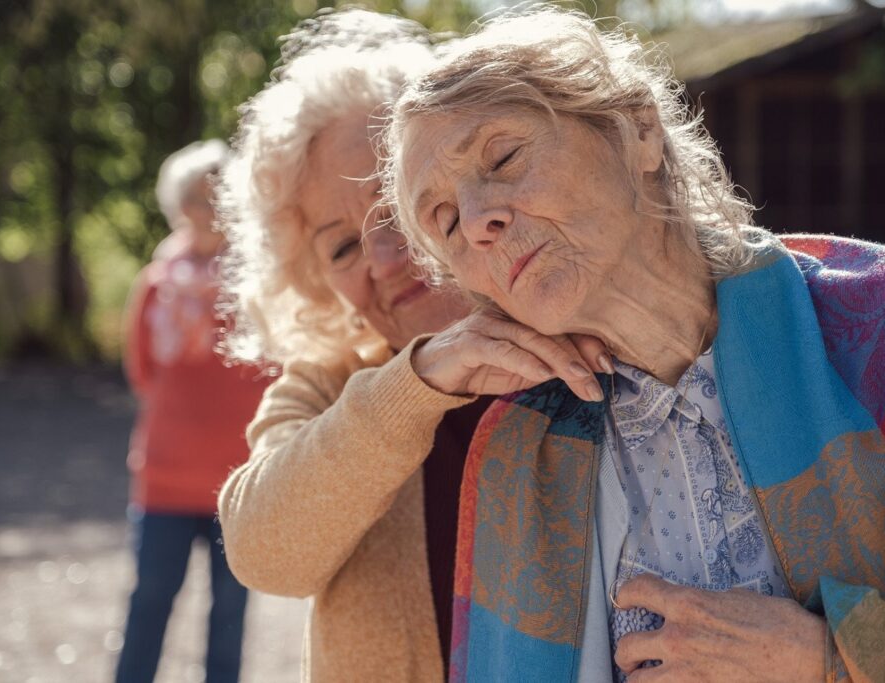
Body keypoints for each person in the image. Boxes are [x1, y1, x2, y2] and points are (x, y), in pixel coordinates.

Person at [381, 6, 885, 681]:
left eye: (503, 156)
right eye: (443, 221)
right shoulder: (518, 454)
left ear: (638, 129)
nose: (477, 221)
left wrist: (831, 658)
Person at [214, 9, 606, 682]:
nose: (383, 254)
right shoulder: (330, 382)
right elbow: (262, 550)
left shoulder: (598, 331)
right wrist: (420, 380)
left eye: (393, 204)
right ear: (313, 279)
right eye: (339, 245)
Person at [117, 139, 269, 683]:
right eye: (197, 200)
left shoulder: (261, 285)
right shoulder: (156, 285)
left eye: (218, 199)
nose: (208, 211)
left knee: (230, 615)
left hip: (239, 481)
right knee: (149, 603)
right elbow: (141, 372)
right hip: (164, 478)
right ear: (178, 207)